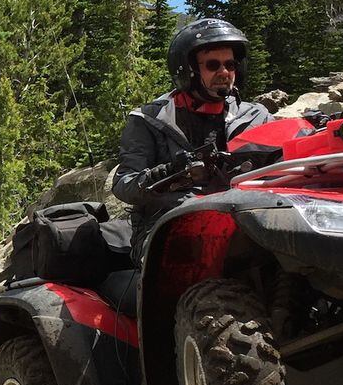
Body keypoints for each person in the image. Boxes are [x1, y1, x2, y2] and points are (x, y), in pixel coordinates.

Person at [111, 19, 272, 261]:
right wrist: (169, 174)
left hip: (245, 216)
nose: (225, 72)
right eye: (213, 65)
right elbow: (124, 184)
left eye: (230, 64)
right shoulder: (149, 119)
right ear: (187, 70)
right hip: (167, 225)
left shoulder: (255, 115)